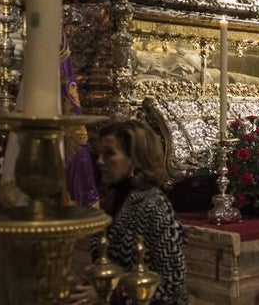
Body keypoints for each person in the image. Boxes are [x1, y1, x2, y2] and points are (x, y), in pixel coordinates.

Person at [71, 121, 188, 305]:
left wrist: (109, 294)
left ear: (135, 159)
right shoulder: (113, 199)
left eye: (109, 154)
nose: (100, 161)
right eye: (99, 153)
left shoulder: (153, 206)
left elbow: (172, 285)